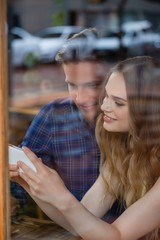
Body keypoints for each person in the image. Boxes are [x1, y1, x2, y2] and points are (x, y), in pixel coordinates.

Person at [10, 56, 160, 240]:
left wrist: (60, 195)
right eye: (106, 95)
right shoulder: (126, 151)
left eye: (118, 102)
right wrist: (31, 184)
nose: (104, 106)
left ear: (150, 113)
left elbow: (117, 236)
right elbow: (81, 224)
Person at [10, 28, 122, 221]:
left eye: (93, 85)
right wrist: (13, 192)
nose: (81, 98)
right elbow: (20, 181)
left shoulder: (137, 132)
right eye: (72, 85)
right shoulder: (54, 115)